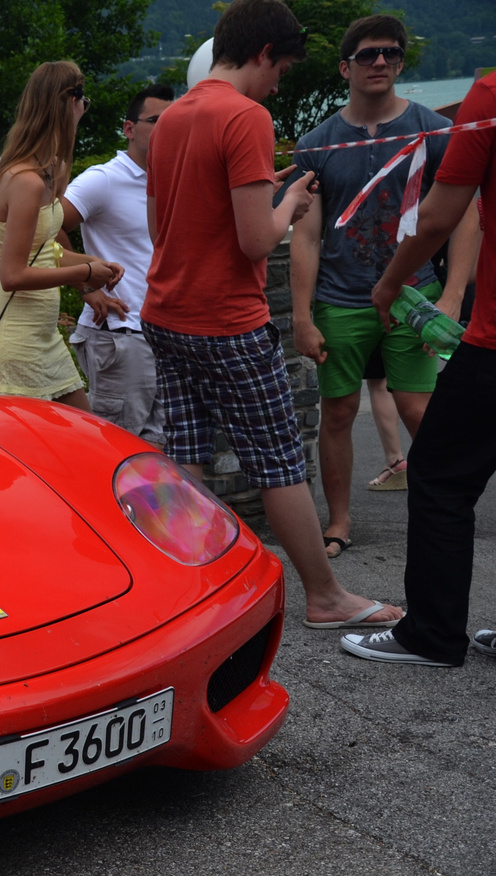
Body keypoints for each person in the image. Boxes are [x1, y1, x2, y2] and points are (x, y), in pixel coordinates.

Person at [141, 0, 402, 629]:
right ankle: (325, 596)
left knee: (187, 448)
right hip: (227, 320)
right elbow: (258, 240)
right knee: (280, 460)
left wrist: (265, 188)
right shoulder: (246, 115)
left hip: (166, 310)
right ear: (263, 54)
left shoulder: (173, 116)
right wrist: (289, 201)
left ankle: (190, 589)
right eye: (281, 68)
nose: (279, 81)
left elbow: (161, 225)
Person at [291, 14, 480, 558]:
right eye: (369, 54)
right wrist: (301, 316)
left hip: (414, 296)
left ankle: (448, 508)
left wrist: (451, 295)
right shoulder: (316, 143)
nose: (380, 63)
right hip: (340, 297)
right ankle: (340, 522)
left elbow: (466, 215)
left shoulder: (433, 130)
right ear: (346, 66)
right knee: (340, 412)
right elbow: (305, 236)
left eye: (391, 54)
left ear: (400, 62)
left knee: (419, 408)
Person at [342, 68, 496, 667]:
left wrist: (388, 285)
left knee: (438, 477)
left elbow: (438, 215)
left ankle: (430, 634)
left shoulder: (488, 94)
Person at [0, 62, 123, 410]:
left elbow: (44, 251)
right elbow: (13, 275)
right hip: (16, 336)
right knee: (42, 451)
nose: (84, 108)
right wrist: (86, 275)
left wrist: (91, 262)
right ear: (69, 102)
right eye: (82, 99)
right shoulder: (26, 181)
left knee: (80, 438)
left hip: (41, 336)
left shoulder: (48, 170)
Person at [61, 83, 175, 443]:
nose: (167, 129)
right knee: (117, 450)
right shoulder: (104, 179)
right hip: (122, 335)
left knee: (161, 453)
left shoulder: (171, 179)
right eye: (157, 121)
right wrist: (87, 286)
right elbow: (42, 228)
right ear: (129, 129)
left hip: (166, 334)